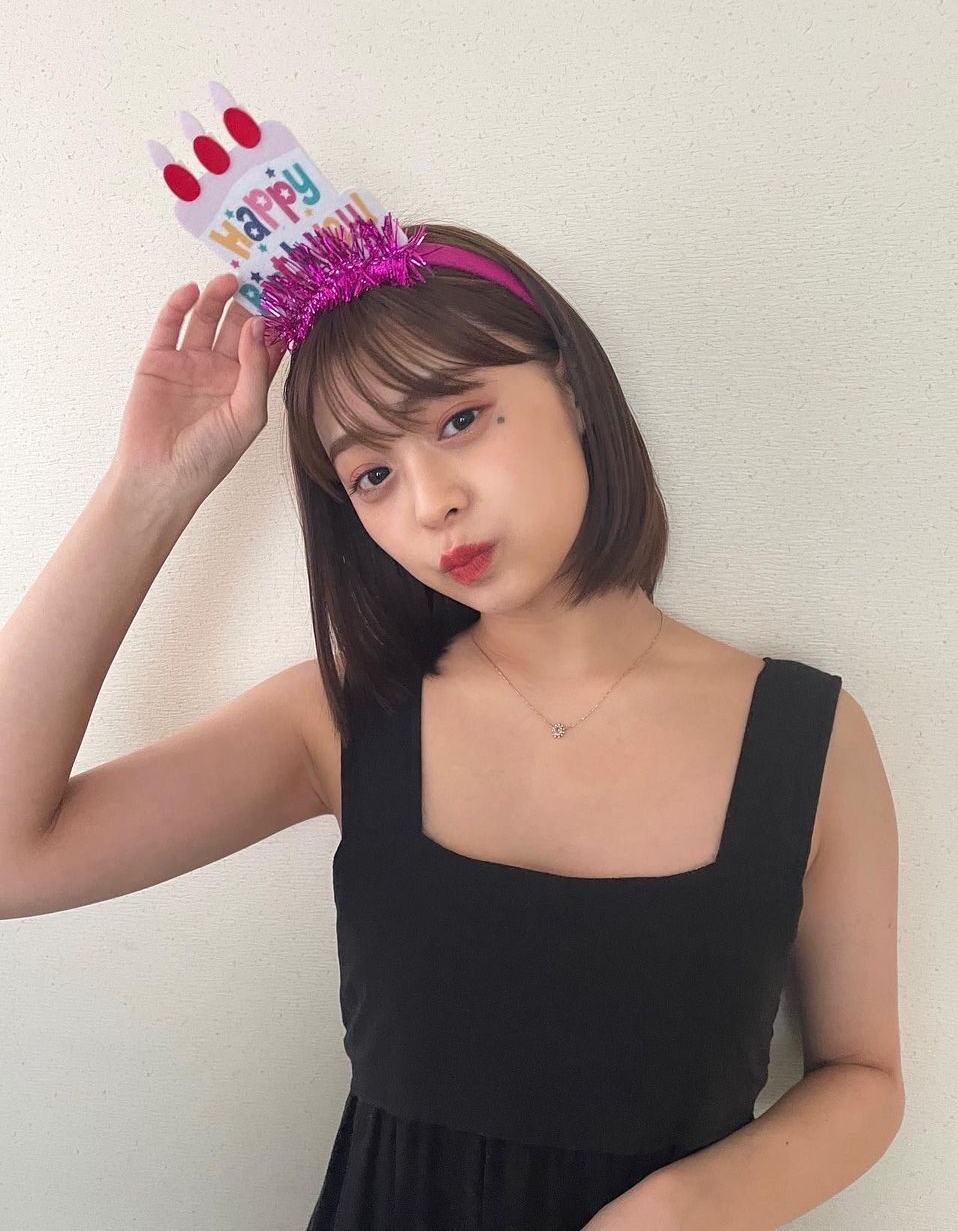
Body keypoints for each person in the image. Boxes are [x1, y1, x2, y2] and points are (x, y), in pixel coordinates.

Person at [0, 220, 904, 1231]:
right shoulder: (343, 721)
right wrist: (150, 488)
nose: (431, 503)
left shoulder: (807, 739)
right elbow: (9, 860)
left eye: (461, 419)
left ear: (572, 389)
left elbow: (864, 1076)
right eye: (371, 475)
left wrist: (688, 1207)